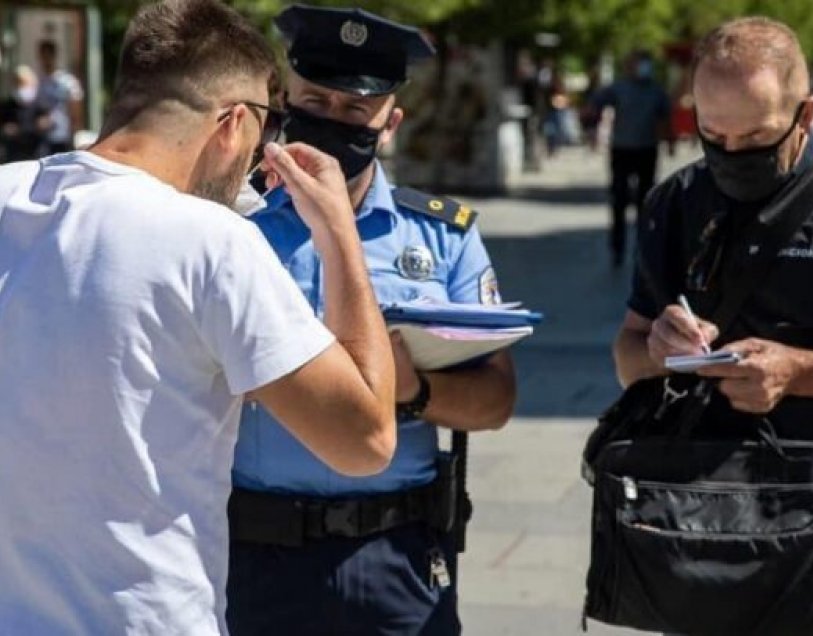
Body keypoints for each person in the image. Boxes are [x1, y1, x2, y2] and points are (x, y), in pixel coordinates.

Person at [0, 0, 398, 632]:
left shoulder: (7, 192)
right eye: (267, 128)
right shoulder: (210, 240)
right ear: (234, 123)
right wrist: (340, 235)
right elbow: (366, 440)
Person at [226, 6, 517, 635]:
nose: (332, 120)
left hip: (397, 554)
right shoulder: (230, 225)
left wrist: (415, 392)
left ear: (390, 124)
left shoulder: (443, 237)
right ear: (285, 99)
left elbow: (495, 400)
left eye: (355, 110)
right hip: (254, 551)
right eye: (315, 101)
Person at [615, 16, 813, 498]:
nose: (733, 154)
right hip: (698, 505)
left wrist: (801, 372)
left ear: (804, 116)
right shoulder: (674, 203)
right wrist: (660, 349)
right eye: (714, 136)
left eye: (757, 139)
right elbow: (628, 356)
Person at [592, 50, 673, 267]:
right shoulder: (618, 88)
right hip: (622, 149)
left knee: (646, 202)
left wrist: (670, 141)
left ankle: (643, 249)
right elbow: (597, 104)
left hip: (647, 149)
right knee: (618, 199)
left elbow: (665, 117)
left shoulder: (656, 91)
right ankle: (617, 249)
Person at [34, 39, 84, 153]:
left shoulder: (66, 81)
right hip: (44, 137)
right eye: (42, 56)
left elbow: (75, 109)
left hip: (63, 136)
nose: (45, 60)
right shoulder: (41, 82)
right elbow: (39, 108)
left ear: (53, 56)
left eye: (47, 56)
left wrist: (74, 133)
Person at [0, 64, 45, 161]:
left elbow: (46, 122)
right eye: (17, 83)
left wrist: (42, 124)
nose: (20, 87)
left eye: (23, 83)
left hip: (35, 151)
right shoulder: (8, 104)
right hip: (14, 152)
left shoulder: (39, 103)